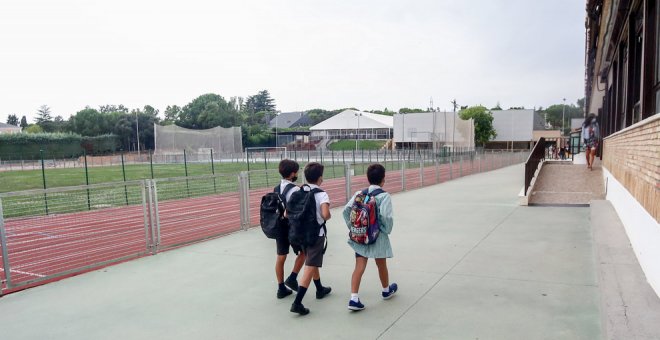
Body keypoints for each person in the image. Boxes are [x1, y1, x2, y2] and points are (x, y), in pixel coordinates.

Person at [343, 163, 397, 311]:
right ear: (383, 179)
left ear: (368, 178)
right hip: (377, 236)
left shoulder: (359, 194)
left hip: (360, 237)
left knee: (359, 266)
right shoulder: (384, 196)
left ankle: (354, 298)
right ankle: (386, 290)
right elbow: (386, 217)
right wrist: (385, 230)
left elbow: (346, 210)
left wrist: (354, 227)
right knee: (381, 265)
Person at [290, 162, 332, 315]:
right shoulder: (321, 194)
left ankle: (319, 289)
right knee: (310, 264)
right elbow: (325, 214)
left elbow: (288, 213)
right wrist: (327, 215)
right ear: (320, 178)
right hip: (316, 234)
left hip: (300, 233)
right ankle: (297, 302)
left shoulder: (299, 191)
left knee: (311, 260)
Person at [274, 159, 305, 299]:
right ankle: (293, 277)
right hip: (292, 227)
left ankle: (281, 288)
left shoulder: (276, 188)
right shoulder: (296, 189)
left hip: (279, 226)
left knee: (281, 256)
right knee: (304, 252)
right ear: (293, 173)